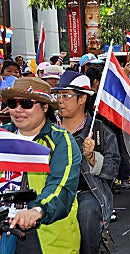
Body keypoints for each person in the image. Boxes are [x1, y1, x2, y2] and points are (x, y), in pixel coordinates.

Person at [0, 77, 81, 253]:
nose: (18, 110)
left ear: (45, 107)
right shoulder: (3, 135)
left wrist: (37, 210)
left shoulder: (61, 140)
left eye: (27, 103)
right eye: (13, 103)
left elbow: (62, 184)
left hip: (44, 235)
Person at [52, 71, 120, 254]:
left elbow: (113, 170)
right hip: (53, 190)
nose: (60, 100)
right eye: (58, 95)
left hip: (87, 192)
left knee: (87, 212)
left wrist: (92, 157)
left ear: (82, 99)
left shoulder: (100, 131)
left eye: (66, 96)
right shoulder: (49, 128)